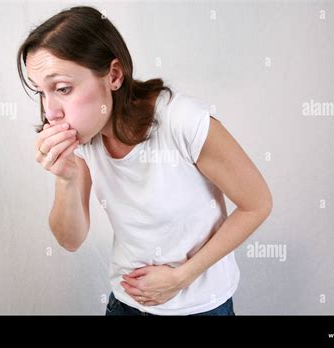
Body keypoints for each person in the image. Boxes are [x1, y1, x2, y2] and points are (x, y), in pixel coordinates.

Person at [17, 6, 272, 316]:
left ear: (113, 75)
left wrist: (181, 277)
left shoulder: (182, 121)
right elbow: (71, 240)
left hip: (201, 306)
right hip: (125, 303)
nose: (51, 110)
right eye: (40, 92)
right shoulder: (84, 140)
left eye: (62, 89)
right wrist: (65, 179)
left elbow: (257, 204)